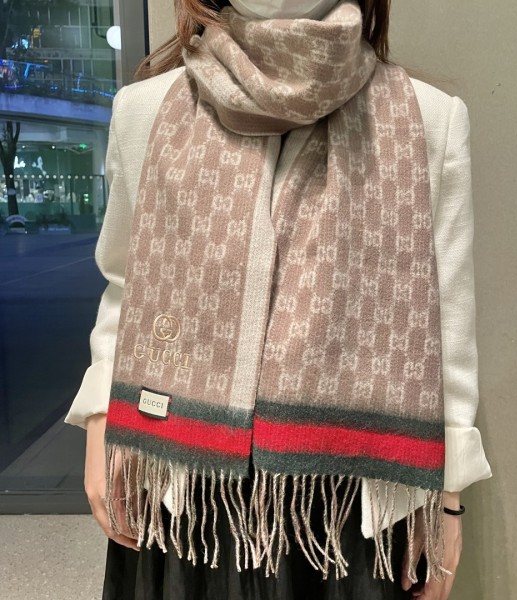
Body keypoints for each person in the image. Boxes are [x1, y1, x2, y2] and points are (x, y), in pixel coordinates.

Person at [66, 1, 492, 599]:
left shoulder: (429, 118)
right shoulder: (145, 109)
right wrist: (101, 421)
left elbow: (448, 320)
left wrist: (447, 498)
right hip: (181, 482)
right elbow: (125, 283)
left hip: (349, 500)